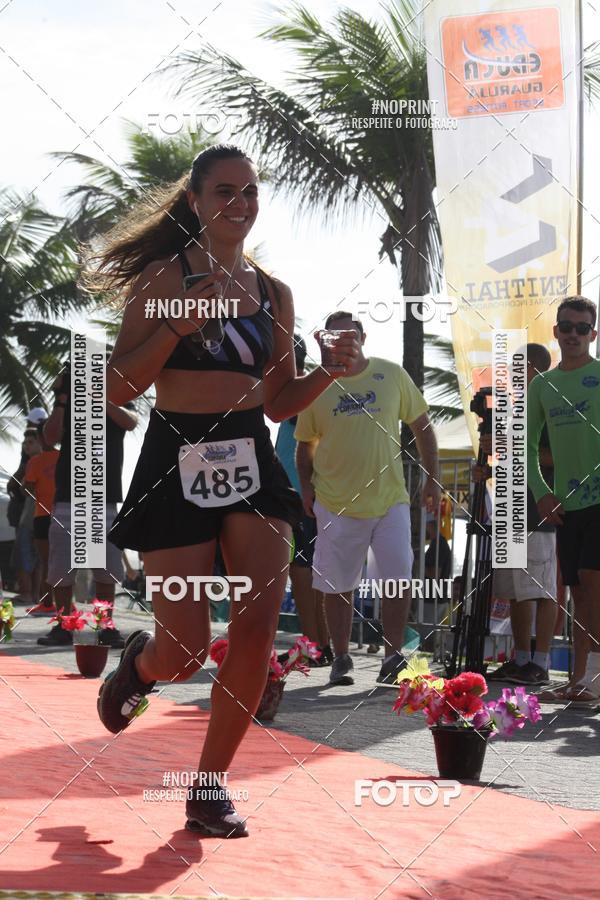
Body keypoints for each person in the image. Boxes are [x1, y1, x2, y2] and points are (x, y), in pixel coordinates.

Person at [87, 144, 359, 837]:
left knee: (256, 631)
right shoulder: (161, 279)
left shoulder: (275, 294)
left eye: (250, 192)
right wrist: (176, 327)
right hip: (174, 456)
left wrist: (326, 372)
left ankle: (209, 787)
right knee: (184, 649)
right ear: (196, 202)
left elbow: (276, 403)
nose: (239, 204)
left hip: (249, 459)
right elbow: (115, 388)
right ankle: (141, 668)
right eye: (224, 192)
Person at [295, 311, 440, 687]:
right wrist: (306, 487)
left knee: (396, 579)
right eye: (335, 335)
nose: (343, 339)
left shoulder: (391, 374)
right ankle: (341, 658)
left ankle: (393, 658)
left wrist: (432, 480)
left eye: (350, 333)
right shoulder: (317, 384)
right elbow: (304, 443)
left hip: (389, 499)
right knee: (337, 585)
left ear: (363, 336)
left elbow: (422, 425)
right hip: (335, 503)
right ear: (324, 340)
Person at [527, 297, 600, 705]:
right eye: (566, 326)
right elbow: (523, 447)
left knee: (594, 583)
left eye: (582, 328)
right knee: (578, 592)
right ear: (555, 331)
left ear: (593, 334)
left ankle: (593, 680)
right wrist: (542, 494)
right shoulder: (542, 385)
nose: (573, 334)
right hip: (566, 504)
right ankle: (580, 680)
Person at [474, 344, 558, 686]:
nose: (511, 375)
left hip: (538, 508)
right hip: (511, 508)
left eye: (519, 368)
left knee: (541, 588)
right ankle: (521, 658)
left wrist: (510, 445)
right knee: (515, 590)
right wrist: (486, 470)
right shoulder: (517, 408)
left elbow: (557, 456)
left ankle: (541, 661)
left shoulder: (550, 403)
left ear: (536, 368)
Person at [37, 364, 138, 648]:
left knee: (105, 569)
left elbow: (131, 421)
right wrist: (62, 398)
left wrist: (99, 396)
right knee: (60, 571)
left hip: (103, 498)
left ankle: (104, 626)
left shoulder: (117, 396)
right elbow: (50, 436)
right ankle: (64, 626)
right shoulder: (68, 401)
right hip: (69, 496)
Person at [274, 333, 332, 663]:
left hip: (305, 495)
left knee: (304, 570)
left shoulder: (300, 389)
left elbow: (308, 443)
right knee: (305, 570)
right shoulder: (291, 389)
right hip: (296, 494)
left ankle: (316, 646)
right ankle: (318, 645)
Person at [22, 422, 60, 615]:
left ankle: (48, 604)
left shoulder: (35, 461)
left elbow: (27, 489)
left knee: (48, 562)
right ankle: (56, 603)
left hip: (45, 516)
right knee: (58, 562)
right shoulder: (66, 456)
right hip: (59, 514)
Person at [8, 430, 42, 606]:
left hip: (30, 516)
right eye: (25, 443)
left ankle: (27, 593)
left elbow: (21, 488)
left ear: (39, 442)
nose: (26, 446)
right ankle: (34, 595)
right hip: (38, 516)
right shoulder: (39, 461)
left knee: (24, 555)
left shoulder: (33, 463)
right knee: (37, 558)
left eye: (30, 442)